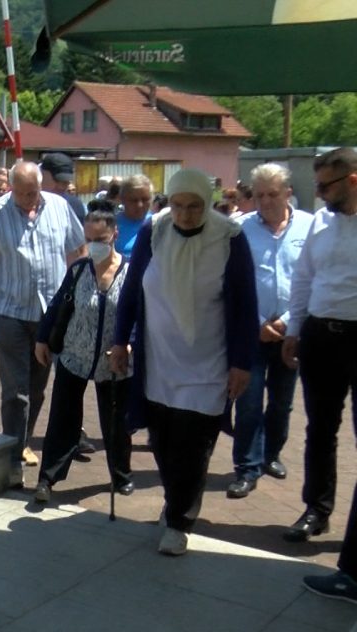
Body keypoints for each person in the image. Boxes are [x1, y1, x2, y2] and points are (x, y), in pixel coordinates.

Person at [110, 168, 257, 556]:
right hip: (159, 358)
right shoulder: (152, 232)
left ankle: (179, 521)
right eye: (178, 206)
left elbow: (244, 305)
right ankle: (175, 499)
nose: (186, 214)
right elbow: (131, 290)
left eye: (195, 207)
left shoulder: (229, 237)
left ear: (207, 204)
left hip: (208, 360)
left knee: (194, 443)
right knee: (162, 439)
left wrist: (242, 361)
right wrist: (119, 340)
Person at [0, 162, 86, 486]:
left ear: (40, 185)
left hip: (49, 314)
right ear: (10, 187)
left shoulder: (60, 207)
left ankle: (22, 442)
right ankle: (11, 461)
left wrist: (78, 294)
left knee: (37, 389)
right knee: (15, 391)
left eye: (31, 193)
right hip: (9, 311)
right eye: (18, 192)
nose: (25, 199)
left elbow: (78, 249)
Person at [283, 147, 357, 551]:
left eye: (325, 185)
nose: (319, 193)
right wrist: (294, 328)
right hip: (320, 336)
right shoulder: (320, 223)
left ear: (352, 181)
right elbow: (303, 278)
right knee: (320, 428)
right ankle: (316, 509)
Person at [33, 208, 133, 502]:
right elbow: (58, 305)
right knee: (63, 418)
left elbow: (142, 314)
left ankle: (121, 474)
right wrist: (43, 338)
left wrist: (129, 344)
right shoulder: (78, 270)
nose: (94, 245)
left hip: (113, 361)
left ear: (115, 235)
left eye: (100, 238)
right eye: (89, 239)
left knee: (116, 421)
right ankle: (48, 478)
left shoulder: (131, 273)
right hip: (75, 355)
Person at [226, 164, 313, 499]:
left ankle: (271, 454)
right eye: (259, 194)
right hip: (252, 332)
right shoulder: (239, 229)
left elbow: (313, 278)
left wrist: (289, 321)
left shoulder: (309, 225)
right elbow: (231, 283)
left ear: (288, 193)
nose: (264, 201)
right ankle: (246, 468)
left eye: (272, 194)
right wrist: (257, 322)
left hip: (292, 333)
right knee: (247, 402)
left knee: (281, 403)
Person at [40, 152, 87, 224]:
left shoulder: (74, 205)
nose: (61, 187)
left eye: (65, 182)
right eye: (57, 180)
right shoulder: (27, 204)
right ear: (42, 175)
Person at [115, 175, 153, 260]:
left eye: (145, 199)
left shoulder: (158, 223)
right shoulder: (112, 224)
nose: (140, 205)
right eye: (134, 200)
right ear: (122, 200)